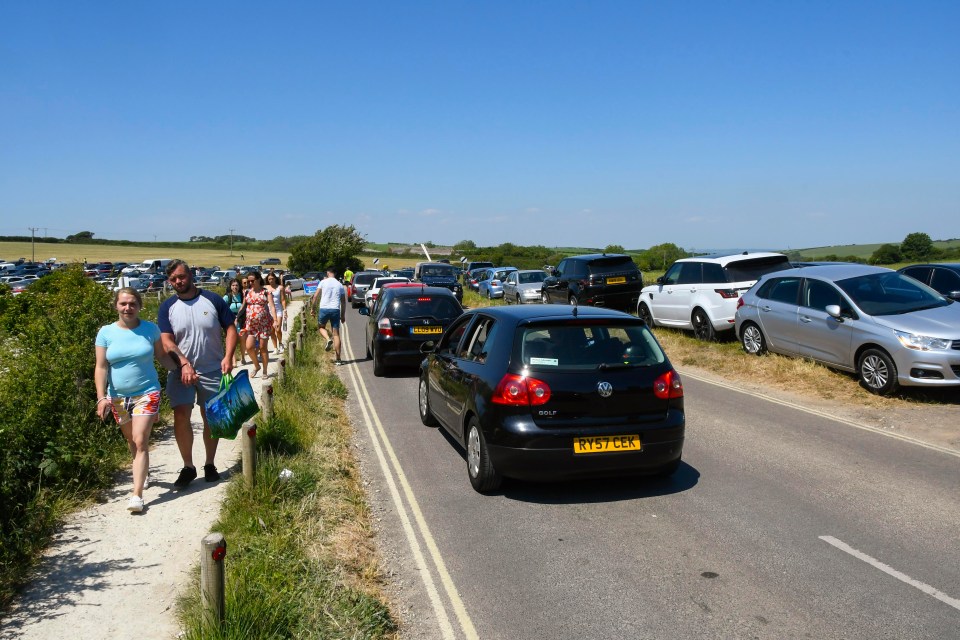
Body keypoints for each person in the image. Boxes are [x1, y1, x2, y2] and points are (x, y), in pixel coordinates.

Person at [158, 260, 238, 489]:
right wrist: (183, 363)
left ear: (190, 275)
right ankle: (188, 466)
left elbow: (231, 329)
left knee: (211, 418)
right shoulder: (168, 307)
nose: (178, 282)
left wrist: (229, 356)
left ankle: (210, 464)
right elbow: (166, 340)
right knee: (181, 415)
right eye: (173, 279)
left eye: (181, 277)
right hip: (180, 371)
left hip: (212, 368)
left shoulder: (212, 300)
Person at [95, 287, 174, 512]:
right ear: (116, 306)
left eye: (132, 304)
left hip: (147, 392)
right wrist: (101, 398)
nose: (128, 308)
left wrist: (181, 371)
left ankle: (136, 495)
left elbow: (161, 356)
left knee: (140, 440)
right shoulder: (105, 333)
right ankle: (144, 473)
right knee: (131, 440)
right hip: (118, 397)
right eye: (123, 304)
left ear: (139, 306)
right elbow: (101, 367)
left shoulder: (151, 329)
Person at [238, 270, 278, 378]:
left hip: (264, 324)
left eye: (252, 280)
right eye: (249, 281)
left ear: (258, 279)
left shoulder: (265, 292)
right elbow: (243, 306)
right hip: (251, 325)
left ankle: (265, 370)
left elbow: (272, 306)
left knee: (262, 347)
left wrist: (275, 320)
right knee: (249, 347)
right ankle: (257, 366)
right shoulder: (247, 292)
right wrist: (237, 317)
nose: (250, 283)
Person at [309, 265, 347, 365]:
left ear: (327, 272)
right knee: (336, 334)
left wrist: (312, 309)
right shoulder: (339, 285)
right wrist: (343, 315)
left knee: (321, 327)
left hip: (324, 308)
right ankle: (338, 359)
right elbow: (343, 302)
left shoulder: (323, 282)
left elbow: (315, 296)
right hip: (335, 309)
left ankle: (327, 339)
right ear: (335, 273)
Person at [223, 277, 246, 365]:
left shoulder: (242, 296)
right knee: (231, 340)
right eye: (233, 285)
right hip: (230, 321)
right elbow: (222, 309)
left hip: (241, 320)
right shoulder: (227, 297)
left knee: (242, 339)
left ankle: (243, 357)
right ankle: (233, 360)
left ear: (239, 286)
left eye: (236, 285)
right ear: (230, 286)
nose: (235, 287)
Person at [265, 271, 287, 354]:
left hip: (278, 310)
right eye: (269, 279)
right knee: (271, 330)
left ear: (275, 279)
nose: (271, 280)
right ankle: (275, 347)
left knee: (277, 329)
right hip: (269, 310)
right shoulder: (265, 288)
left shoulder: (280, 287)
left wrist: (285, 310)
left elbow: (283, 300)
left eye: (272, 278)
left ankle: (280, 343)